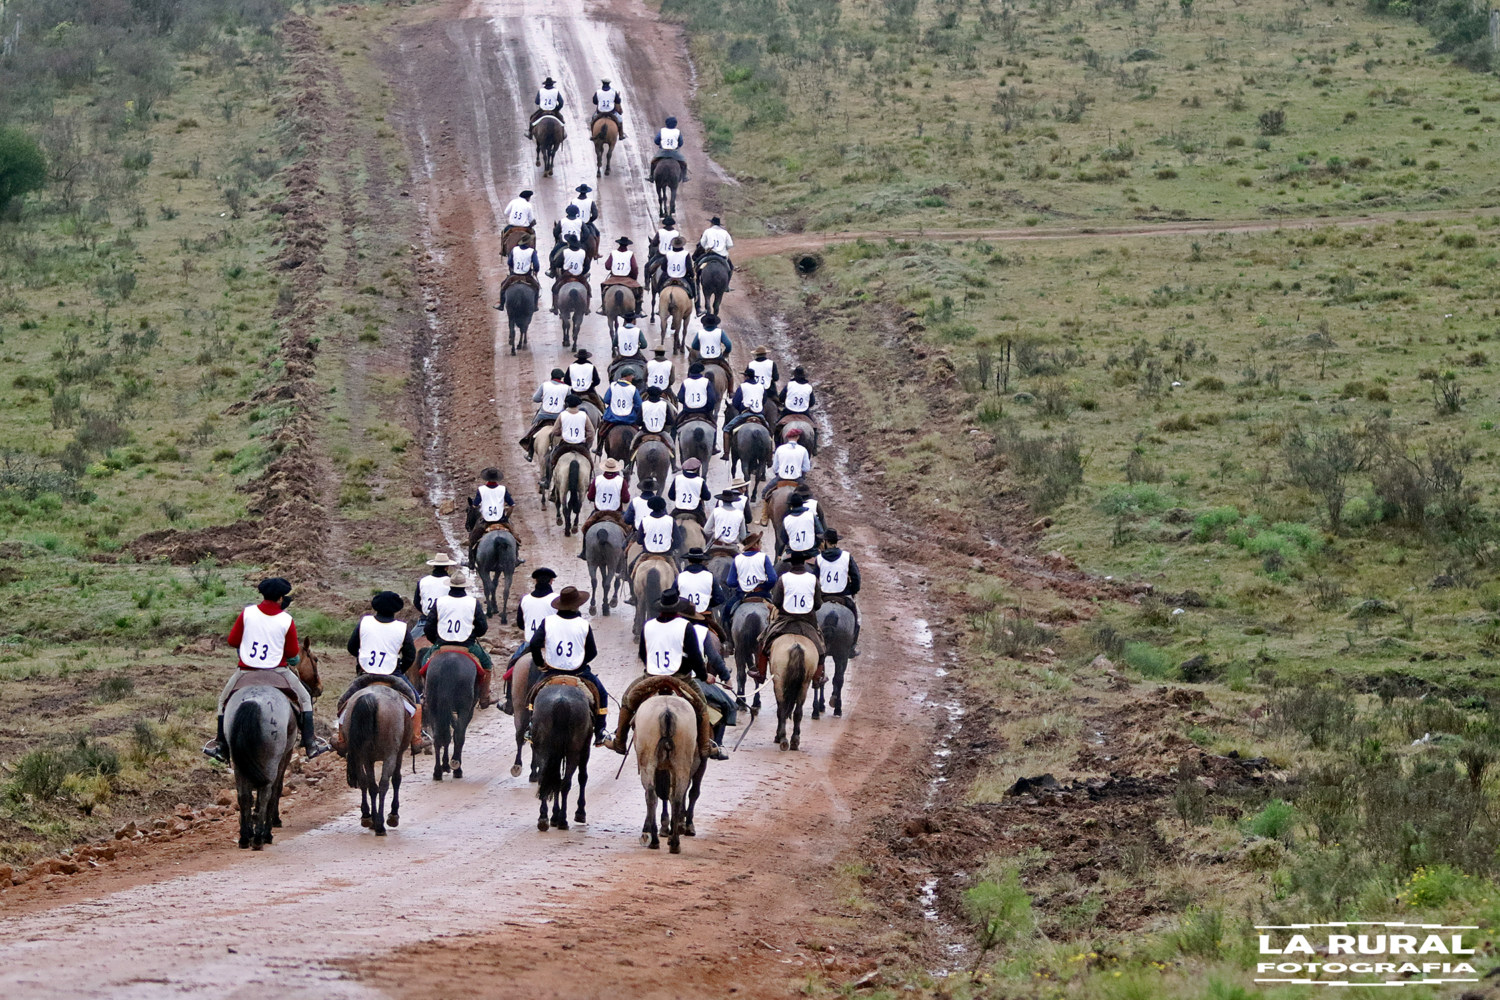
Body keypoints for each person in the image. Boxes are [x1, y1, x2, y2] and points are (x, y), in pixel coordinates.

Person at [205, 577, 325, 763]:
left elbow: (232, 641)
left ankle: (221, 746)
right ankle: (310, 744)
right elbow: (293, 652)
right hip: (278, 672)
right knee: (305, 699)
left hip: (246, 672)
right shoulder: (286, 619)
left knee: (222, 701)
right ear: (280, 598)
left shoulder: (247, 613)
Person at [609, 591, 728, 759]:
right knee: (701, 707)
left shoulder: (648, 625)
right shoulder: (685, 626)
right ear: (677, 609)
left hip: (650, 678)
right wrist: (704, 675)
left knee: (627, 701)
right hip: (680, 679)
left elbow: (643, 654)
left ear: (660, 608)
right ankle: (705, 747)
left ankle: (619, 741)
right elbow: (695, 657)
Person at [333, 591, 424, 755]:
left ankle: (342, 740)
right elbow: (410, 655)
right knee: (416, 701)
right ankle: (416, 740)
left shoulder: (364, 622)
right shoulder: (402, 628)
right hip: (392, 675)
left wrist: (363, 659)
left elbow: (352, 647)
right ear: (396, 610)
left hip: (366, 674)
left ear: (376, 607)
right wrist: (399, 669)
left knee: (343, 702)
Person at [525, 586, 610, 745]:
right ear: (577, 605)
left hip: (552, 672)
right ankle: (600, 732)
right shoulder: (583, 624)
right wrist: (580, 662)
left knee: (532, 695)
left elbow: (534, 643)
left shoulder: (548, 621)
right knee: (602, 695)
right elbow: (592, 652)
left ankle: (531, 727)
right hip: (578, 672)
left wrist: (540, 663)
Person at [418, 569, 495, 707]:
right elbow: (482, 628)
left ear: (450, 585)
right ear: (465, 586)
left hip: (442, 645)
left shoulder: (440, 602)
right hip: (467, 645)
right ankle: (484, 697)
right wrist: (472, 635)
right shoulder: (473, 602)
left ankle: (426, 695)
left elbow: (428, 627)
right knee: (487, 664)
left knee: (424, 663)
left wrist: (435, 641)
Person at [755, 552, 824, 681]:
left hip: (785, 620)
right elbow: (818, 604)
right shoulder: (813, 579)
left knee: (763, 640)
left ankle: (761, 673)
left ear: (791, 563)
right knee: (820, 647)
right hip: (808, 620)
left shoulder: (783, 578)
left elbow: (776, 602)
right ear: (803, 562)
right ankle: (818, 676)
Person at [502, 567, 558, 713]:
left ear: (535, 581)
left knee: (512, 666)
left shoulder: (525, 599)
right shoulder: (556, 599)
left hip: (529, 644)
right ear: (551, 581)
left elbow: (520, 623)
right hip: (550, 645)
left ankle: (509, 701)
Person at [817, 529, 861, 656]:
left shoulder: (819, 558)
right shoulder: (847, 557)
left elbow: (814, 579)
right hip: (842, 595)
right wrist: (853, 590)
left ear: (825, 542)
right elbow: (856, 577)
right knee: (857, 619)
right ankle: (852, 646)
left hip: (824, 596)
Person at [578, 457, 631, 558]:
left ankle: (584, 552)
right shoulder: (621, 481)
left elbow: (590, 496)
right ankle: (625, 554)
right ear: (616, 469)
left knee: (586, 528)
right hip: (616, 513)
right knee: (628, 530)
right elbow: (626, 499)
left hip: (599, 512)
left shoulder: (597, 479)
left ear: (604, 469)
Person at [466, 467, 517, 567]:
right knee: (515, 537)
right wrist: (507, 517)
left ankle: (471, 562)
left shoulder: (481, 490)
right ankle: (516, 558)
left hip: (486, 521)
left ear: (486, 478)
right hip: (501, 520)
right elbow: (512, 505)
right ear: (497, 478)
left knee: (472, 539)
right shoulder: (503, 489)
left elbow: (475, 505)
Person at [725, 531, 777, 621]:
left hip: (742, 595)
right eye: (760, 543)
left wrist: (741, 585)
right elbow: (773, 579)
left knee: (726, 612)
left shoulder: (737, 559)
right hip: (762, 593)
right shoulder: (763, 557)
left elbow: (730, 582)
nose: (761, 545)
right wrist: (764, 586)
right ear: (755, 545)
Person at [520, 369, 570, 460]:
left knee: (534, 430)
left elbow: (535, 398)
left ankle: (530, 453)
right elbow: (568, 402)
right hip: (559, 416)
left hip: (543, 415)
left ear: (552, 376)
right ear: (561, 378)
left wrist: (544, 399)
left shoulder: (544, 385)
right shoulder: (566, 388)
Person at [546, 394, 595, 483]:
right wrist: (586, 441)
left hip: (565, 445)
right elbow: (591, 433)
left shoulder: (562, 415)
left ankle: (548, 481)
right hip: (580, 446)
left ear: (567, 404)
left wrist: (563, 432)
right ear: (577, 405)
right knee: (591, 464)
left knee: (551, 461)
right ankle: (589, 482)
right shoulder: (583, 415)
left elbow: (555, 431)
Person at [722, 364, 769, 451]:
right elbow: (764, 400)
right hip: (759, 415)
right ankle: (769, 458)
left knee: (726, 429)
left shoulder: (742, 386)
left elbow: (735, 402)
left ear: (747, 377)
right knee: (769, 433)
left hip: (745, 413)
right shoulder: (761, 387)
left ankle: (726, 453)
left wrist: (740, 408)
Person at [412, 552, 457, 641]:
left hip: (425, 620)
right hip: (445, 621)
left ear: (433, 566)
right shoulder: (451, 582)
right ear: (447, 567)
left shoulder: (422, 581)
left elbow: (416, 602)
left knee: (406, 646)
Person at [676, 547, 725, 618]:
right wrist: (707, 603)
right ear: (702, 561)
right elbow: (720, 598)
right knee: (718, 628)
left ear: (689, 560)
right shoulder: (710, 576)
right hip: (704, 613)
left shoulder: (680, 576)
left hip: (684, 615)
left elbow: (673, 595)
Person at [599, 236, 642, 313]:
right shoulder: (630, 254)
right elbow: (635, 268)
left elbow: (607, 266)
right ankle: (639, 309)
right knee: (639, 289)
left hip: (613, 278)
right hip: (627, 279)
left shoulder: (613, 253)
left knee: (603, 287)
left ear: (619, 244)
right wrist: (634, 278)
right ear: (627, 245)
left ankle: (603, 307)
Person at [550, 234, 591, 315]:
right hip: (579, 276)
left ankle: (555, 307)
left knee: (554, 288)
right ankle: (586, 308)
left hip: (566, 276)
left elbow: (557, 264)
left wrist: (563, 267)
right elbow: (587, 266)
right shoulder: (583, 252)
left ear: (569, 243)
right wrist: (582, 272)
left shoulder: (565, 252)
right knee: (588, 289)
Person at [765, 427, 812, 497]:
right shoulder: (803, 449)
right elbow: (806, 468)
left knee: (764, 493)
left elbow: (775, 467)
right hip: (797, 479)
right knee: (810, 496)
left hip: (781, 478)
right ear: (798, 437)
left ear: (787, 437)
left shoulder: (780, 448)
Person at [500, 231, 542, 302]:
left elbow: (509, 262)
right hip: (527, 276)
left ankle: (501, 304)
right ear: (528, 242)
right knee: (537, 287)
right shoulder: (532, 251)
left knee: (503, 287)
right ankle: (535, 305)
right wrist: (535, 271)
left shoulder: (514, 249)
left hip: (514, 275)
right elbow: (536, 265)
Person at [780, 495, 823, 561]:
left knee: (780, 562)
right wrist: (816, 545)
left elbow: (783, 538)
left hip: (792, 551)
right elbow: (820, 533)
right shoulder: (811, 516)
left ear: (791, 506)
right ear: (802, 505)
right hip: (812, 551)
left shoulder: (786, 519)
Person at [600, 371, 641, 438]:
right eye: (631, 375)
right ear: (627, 376)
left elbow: (606, 400)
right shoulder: (633, 389)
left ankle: (599, 446)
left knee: (601, 431)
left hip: (612, 417)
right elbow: (639, 405)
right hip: (629, 418)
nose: (633, 377)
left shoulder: (613, 385)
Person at [668, 457, 707, 524]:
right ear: (697, 469)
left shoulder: (677, 478)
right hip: (696, 510)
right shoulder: (700, 481)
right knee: (706, 529)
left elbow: (671, 496)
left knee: (669, 525)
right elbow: (707, 497)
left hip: (678, 510)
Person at [662, 235, 696, 308]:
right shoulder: (686, 254)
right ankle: (697, 305)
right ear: (682, 245)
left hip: (669, 276)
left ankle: (660, 302)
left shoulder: (668, 253)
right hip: (683, 277)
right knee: (694, 287)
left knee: (660, 286)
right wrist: (692, 276)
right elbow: (689, 268)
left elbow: (663, 267)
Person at [651, 115, 688, 183]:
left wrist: (661, 144)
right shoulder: (678, 132)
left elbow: (656, 141)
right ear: (675, 124)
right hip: (674, 153)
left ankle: (651, 177)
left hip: (663, 152)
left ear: (666, 123)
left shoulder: (662, 130)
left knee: (653, 162)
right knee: (684, 163)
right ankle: (684, 177)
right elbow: (681, 143)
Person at [551, 204, 586, 268]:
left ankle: (551, 270)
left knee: (552, 254)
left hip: (563, 243)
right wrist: (581, 241)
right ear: (576, 213)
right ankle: (584, 273)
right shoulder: (580, 222)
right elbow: (587, 233)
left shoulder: (562, 221)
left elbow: (556, 232)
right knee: (586, 258)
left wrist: (558, 238)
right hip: (577, 243)